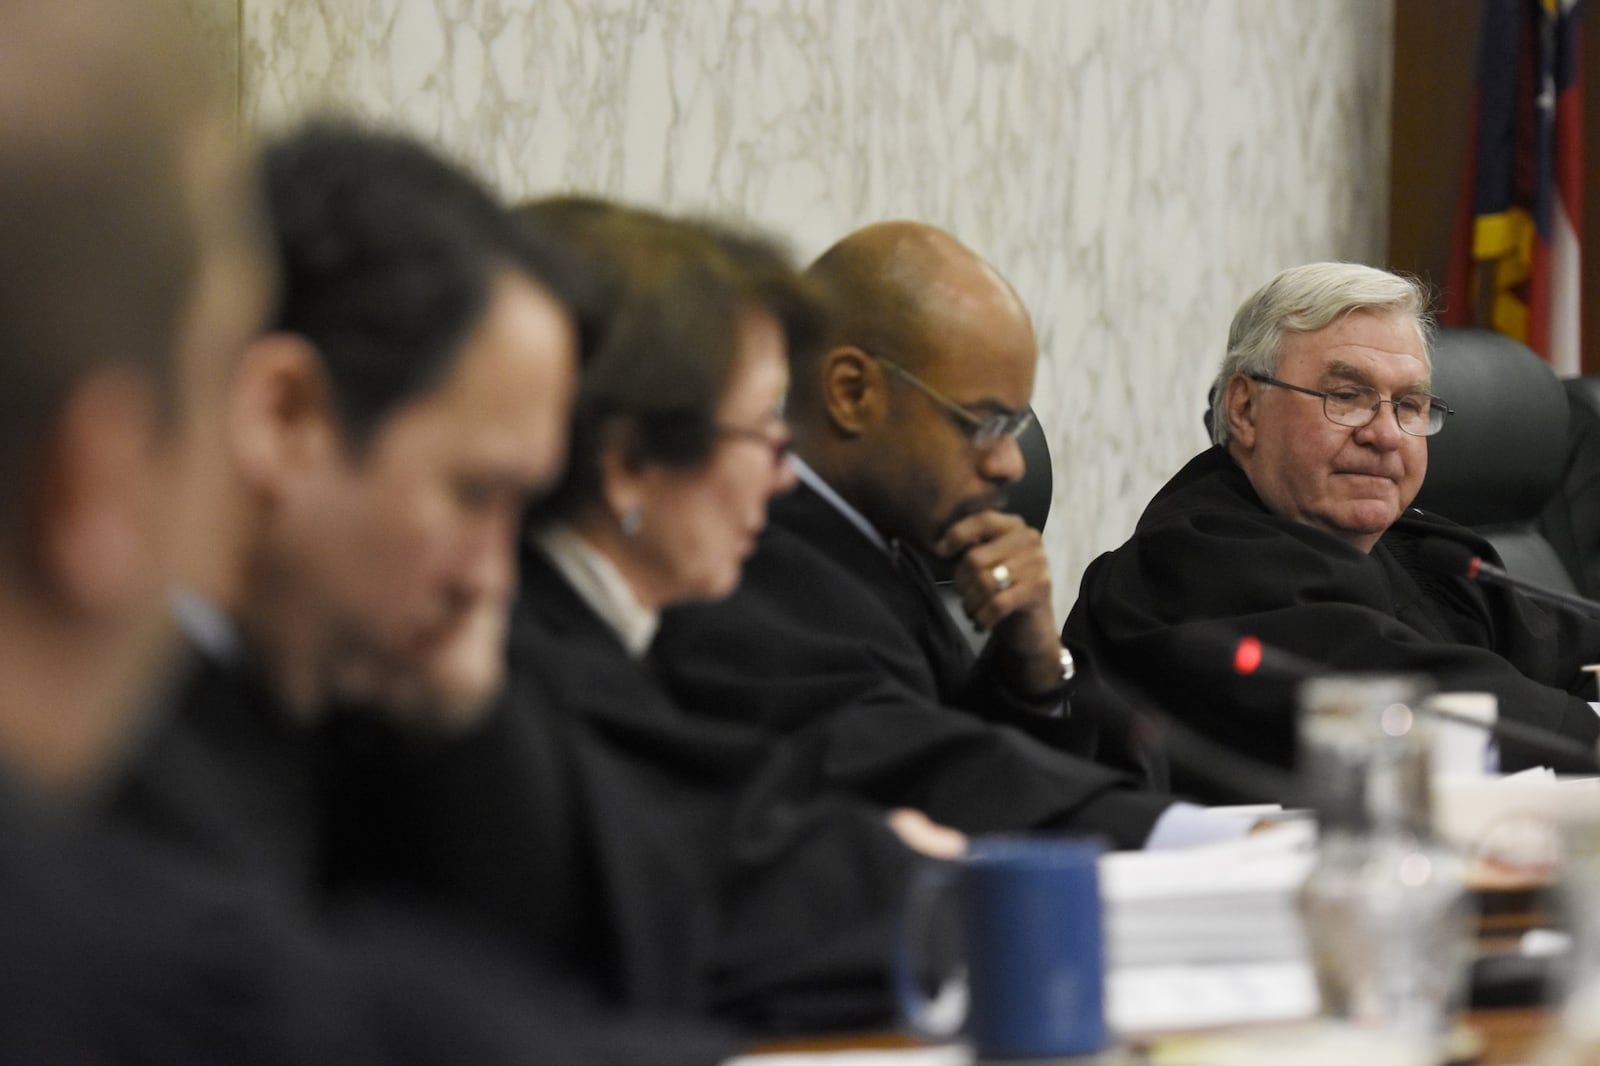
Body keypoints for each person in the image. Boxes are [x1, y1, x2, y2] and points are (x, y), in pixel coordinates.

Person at [105, 124, 737, 1063]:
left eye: (518, 511)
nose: (491, 577)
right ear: (286, 417)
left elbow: (608, 965)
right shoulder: (95, 722)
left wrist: (467, 721)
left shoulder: (353, 689)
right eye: (474, 495)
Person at [328, 201, 969, 1036]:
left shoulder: (618, 629)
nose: (784, 475)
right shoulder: (493, 660)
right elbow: (665, 902)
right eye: (763, 430)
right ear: (627, 463)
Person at [650, 221, 1236, 856]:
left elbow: (981, 754)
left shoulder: (890, 552)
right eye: (983, 422)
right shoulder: (749, 557)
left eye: (1014, 426)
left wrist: (1035, 666)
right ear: (852, 393)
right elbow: (914, 770)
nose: (1011, 464)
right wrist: (1175, 833)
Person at [1064, 261, 1600, 801]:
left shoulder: (1425, 554)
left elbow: (1566, 653)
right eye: (1347, 396)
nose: (1386, 434)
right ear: (1245, 409)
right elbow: (1410, 705)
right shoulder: (1194, 561)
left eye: (1409, 405)